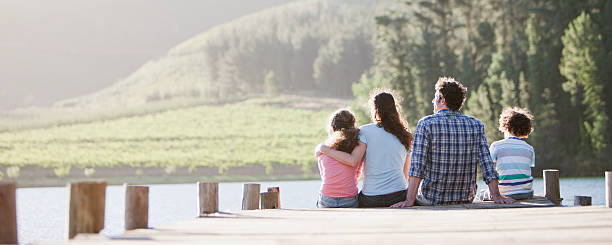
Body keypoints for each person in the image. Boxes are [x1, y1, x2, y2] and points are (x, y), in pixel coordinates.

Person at [392, 77, 514, 208]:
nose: (433, 101)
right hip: (465, 198)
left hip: (432, 198)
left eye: (435, 98)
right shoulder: (476, 125)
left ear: (442, 99)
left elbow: (417, 166)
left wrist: (409, 200)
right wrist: (496, 196)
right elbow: (487, 164)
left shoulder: (426, 124)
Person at [316, 90, 413, 207]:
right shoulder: (405, 135)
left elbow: (352, 160)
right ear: (394, 108)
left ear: (375, 110)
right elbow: (405, 175)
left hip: (372, 197)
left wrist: (323, 149)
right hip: (399, 195)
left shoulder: (365, 131)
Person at [316, 109, 363, 208]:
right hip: (349, 198)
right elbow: (357, 175)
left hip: (327, 198)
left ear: (332, 129)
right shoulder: (357, 148)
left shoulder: (323, 150)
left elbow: (324, 176)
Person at [488, 107, 536, 200]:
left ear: (505, 127)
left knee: (483, 193)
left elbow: (490, 171)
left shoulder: (496, 146)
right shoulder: (529, 148)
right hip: (527, 193)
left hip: (504, 193)